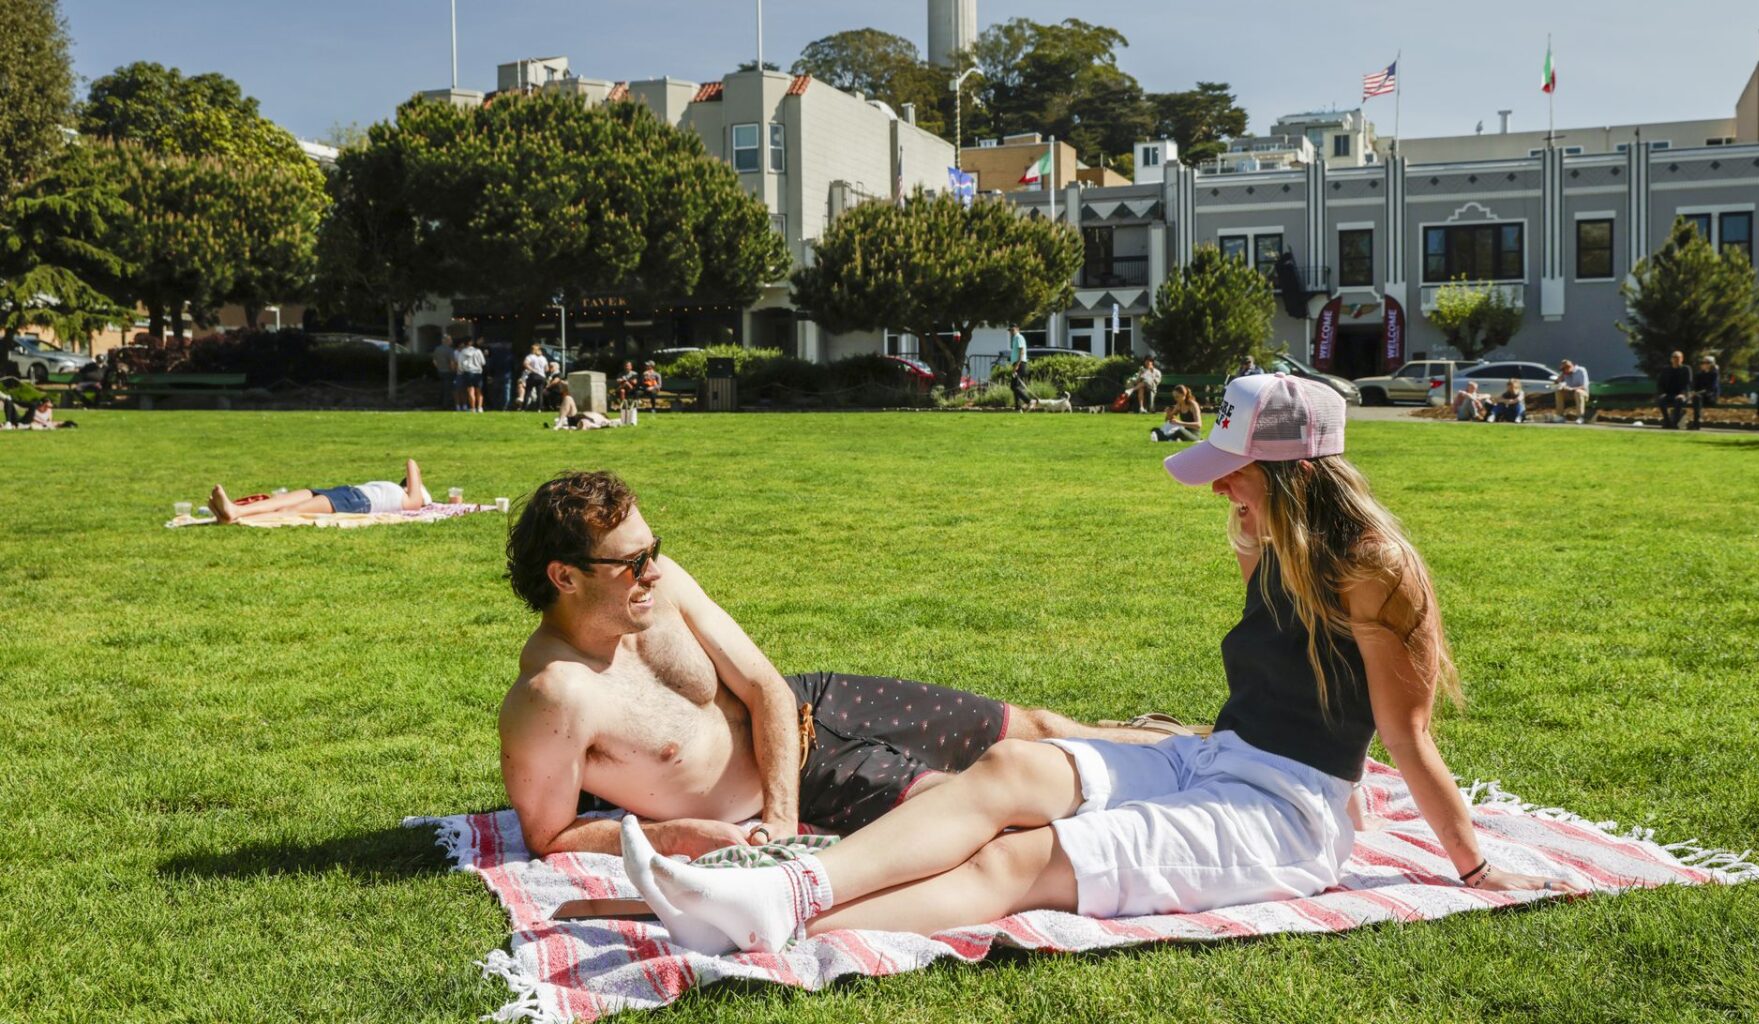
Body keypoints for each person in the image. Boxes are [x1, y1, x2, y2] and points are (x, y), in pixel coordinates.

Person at [620, 375, 1574, 956]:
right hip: (1215, 761)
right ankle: (787, 889)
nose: (1221, 485)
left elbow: (1407, 735)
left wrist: (1477, 865)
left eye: (1235, 469)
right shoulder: (1266, 537)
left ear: (1292, 471)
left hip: (1288, 816)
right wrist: (1247, 548)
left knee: (1018, 858)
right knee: (1008, 769)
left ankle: (781, 923)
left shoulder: (1375, 567)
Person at [497, 471, 1167, 859]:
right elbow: (549, 835)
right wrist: (676, 836)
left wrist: (781, 819)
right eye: (630, 562)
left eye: (652, 550)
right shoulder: (555, 697)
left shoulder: (661, 584)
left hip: (809, 704)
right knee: (1003, 806)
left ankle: (1197, 747)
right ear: (565, 577)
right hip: (813, 779)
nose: (652, 570)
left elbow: (763, 686)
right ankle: (1173, 805)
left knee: (1041, 727)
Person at [206, 459, 431, 523]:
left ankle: (235, 516)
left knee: (289, 511)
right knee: (279, 500)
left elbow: (411, 463)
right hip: (347, 492)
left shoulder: (411, 503)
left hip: (356, 502)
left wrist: (417, 480)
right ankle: (235, 510)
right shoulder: (399, 492)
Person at [1655, 351, 1693, 430]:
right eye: (1674, 357)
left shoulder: (1686, 369)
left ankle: (1674, 423)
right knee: (1661, 400)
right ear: (1671, 359)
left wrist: (1683, 394)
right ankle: (1667, 421)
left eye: (1678, 358)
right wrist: (1662, 393)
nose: (1676, 360)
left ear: (1682, 359)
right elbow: (1660, 383)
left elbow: (1688, 383)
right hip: (1669, 394)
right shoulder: (1666, 369)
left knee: (1679, 400)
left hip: (1682, 395)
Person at [1688, 355, 1720, 430]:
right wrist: (1693, 392)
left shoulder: (1714, 374)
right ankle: (1696, 423)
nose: (1704, 364)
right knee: (1696, 398)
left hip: (1710, 397)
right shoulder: (1699, 374)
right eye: (1703, 362)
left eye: (1707, 362)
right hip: (1700, 397)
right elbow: (1695, 387)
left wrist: (1698, 393)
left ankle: (1696, 423)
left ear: (1712, 364)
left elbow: (1711, 388)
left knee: (1697, 397)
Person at [457, 338, 488, 413]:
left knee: (471, 391)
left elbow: (460, 364)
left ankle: (472, 408)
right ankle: (480, 407)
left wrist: (462, 370)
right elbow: (483, 362)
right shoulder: (478, 351)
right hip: (478, 372)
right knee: (479, 391)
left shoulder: (462, 352)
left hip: (468, 372)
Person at [520, 344, 551, 413]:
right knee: (539, 393)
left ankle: (524, 408)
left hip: (533, 375)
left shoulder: (530, 356)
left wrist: (532, 369)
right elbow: (547, 369)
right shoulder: (543, 358)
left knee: (528, 392)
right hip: (542, 376)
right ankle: (539, 409)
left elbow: (525, 363)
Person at [432, 336, 457, 410]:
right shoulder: (450, 350)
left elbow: (434, 361)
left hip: (440, 371)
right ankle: (445, 405)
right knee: (447, 389)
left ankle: (439, 403)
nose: (452, 341)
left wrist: (439, 367)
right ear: (447, 341)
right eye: (451, 340)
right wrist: (454, 370)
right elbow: (452, 362)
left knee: (442, 388)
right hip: (448, 372)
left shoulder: (437, 349)